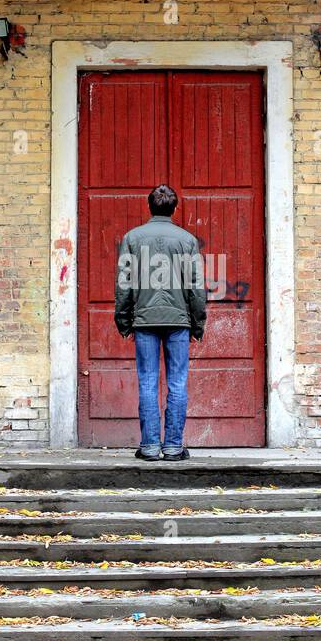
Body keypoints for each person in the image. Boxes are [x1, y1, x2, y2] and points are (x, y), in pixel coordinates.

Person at [114, 184, 207, 461]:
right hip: (179, 321)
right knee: (177, 383)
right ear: (174, 209)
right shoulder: (187, 240)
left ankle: (150, 447)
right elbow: (196, 288)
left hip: (144, 321)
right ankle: (173, 447)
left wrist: (124, 321)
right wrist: (198, 323)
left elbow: (124, 285)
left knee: (147, 382)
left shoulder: (132, 238)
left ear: (149, 207)